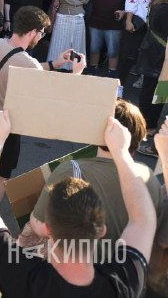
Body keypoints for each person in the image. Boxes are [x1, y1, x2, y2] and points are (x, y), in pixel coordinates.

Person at [0, 111, 155, 297]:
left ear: (48, 229)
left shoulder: (21, 276)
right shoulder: (122, 284)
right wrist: (121, 152)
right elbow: (143, 219)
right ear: (101, 230)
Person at [0, 6, 85, 220]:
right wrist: (76, 72)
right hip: (5, 128)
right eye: (42, 33)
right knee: (1, 176)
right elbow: (55, 94)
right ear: (33, 32)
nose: (41, 37)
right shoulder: (27, 63)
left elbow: (23, 68)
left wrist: (56, 63)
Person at [24, 100, 161, 248]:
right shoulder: (149, 177)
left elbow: (39, 226)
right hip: (126, 265)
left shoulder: (72, 170)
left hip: (76, 263)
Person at [133, 0, 168, 156]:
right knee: (156, 91)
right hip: (160, 58)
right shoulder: (164, 9)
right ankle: (149, 125)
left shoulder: (158, 5)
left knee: (151, 89)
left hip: (153, 54)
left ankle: (146, 123)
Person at [118, 0, 168, 85]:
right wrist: (129, 21)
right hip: (138, 25)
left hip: (156, 31)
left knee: (149, 58)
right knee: (128, 56)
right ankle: (119, 86)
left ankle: (143, 80)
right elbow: (132, 0)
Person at [86, 0, 135, 77]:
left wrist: (124, 12)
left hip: (115, 24)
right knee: (94, 48)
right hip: (96, 21)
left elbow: (133, 2)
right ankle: (93, 71)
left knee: (113, 51)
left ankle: (111, 73)